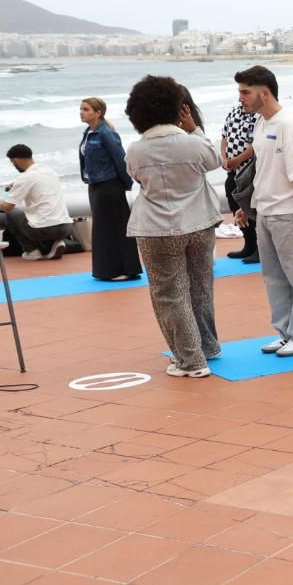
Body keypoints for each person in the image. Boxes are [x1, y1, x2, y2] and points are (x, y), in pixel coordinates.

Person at [124, 75, 222, 378]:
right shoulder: (193, 144)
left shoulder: (136, 150)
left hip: (157, 228)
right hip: (200, 222)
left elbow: (136, 178)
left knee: (170, 293)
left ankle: (190, 359)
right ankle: (208, 346)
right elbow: (214, 160)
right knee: (201, 287)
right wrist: (194, 128)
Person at [232, 65, 293, 357]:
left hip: (289, 213)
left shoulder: (288, 127)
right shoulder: (261, 123)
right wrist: (247, 206)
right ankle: (285, 332)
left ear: (264, 93)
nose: (241, 98)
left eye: (245, 92)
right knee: (273, 277)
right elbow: (262, 169)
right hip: (265, 212)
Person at [78, 97, 142, 280]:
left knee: (115, 228)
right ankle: (107, 270)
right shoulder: (88, 132)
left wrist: (126, 184)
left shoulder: (106, 133)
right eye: (81, 109)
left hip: (110, 186)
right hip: (95, 185)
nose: (81, 112)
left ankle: (124, 270)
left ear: (98, 112)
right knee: (102, 230)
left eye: (86, 109)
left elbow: (121, 159)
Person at [0, 144, 72, 260]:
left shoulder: (25, 177)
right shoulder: (49, 170)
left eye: (12, 163)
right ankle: (55, 243)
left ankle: (32, 251)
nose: (14, 166)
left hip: (44, 230)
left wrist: (0, 201)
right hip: (66, 227)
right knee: (38, 218)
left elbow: (7, 207)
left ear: (16, 160)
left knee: (11, 214)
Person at [221, 97, 260, 265]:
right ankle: (249, 244)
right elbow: (224, 137)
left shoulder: (258, 115)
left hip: (250, 170)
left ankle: (260, 248)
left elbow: (257, 144)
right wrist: (224, 158)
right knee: (234, 204)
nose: (240, 98)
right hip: (232, 171)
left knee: (252, 209)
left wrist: (238, 159)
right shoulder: (234, 111)